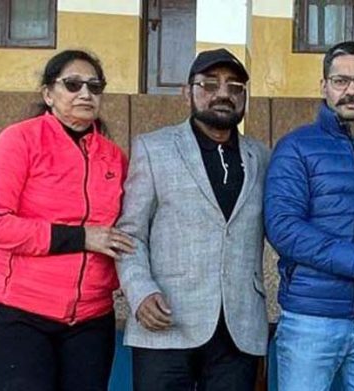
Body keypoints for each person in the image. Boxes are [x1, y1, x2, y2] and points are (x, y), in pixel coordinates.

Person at [0, 50, 132, 390]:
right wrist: (80, 237)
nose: (85, 94)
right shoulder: (20, 141)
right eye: (72, 85)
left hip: (90, 317)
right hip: (15, 310)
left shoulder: (114, 157)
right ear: (48, 94)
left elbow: (128, 228)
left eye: (94, 86)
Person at [115, 48, 269, 391]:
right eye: (209, 84)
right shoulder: (154, 149)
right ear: (188, 91)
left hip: (238, 328)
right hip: (165, 318)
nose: (223, 94)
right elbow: (131, 235)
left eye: (235, 87)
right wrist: (140, 293)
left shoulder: (261, 156)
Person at [264, 41, 354, 391]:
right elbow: (284, 227)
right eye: (340, 80)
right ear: (324, 87)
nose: (351, 91)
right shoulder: (296, 147)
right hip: (311, 319)